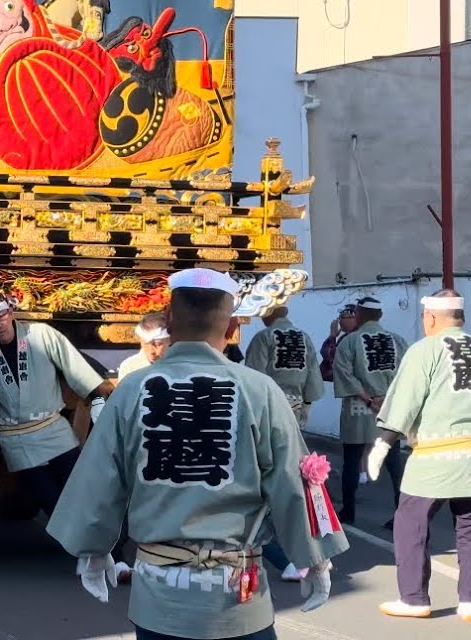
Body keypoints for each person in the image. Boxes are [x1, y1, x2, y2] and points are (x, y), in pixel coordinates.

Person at [47, 268, 347, 640]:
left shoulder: (132, 390)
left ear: (169, 320)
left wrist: (92, 550)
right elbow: (292, 481)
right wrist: (315, 558)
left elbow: (99, 477)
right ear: (233, 327)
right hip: (237, 593)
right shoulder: (259, 390)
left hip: (160, 594)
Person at [368, 290, 471, 622]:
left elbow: (405, 401)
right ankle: (470, 601)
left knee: (410, 523)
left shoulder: (426, 350)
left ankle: (414, 598)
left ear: (431, 318)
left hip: (437, 455)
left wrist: (382, 444)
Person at [0, 291, 116, 518]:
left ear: (10, 311)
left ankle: (111, 546)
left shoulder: (41, 334)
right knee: (53, 505)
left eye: (1, 315)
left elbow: (75, 369)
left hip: (54, 429)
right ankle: (81, 551)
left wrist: (96, 397)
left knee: (84, 491)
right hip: (19, 439)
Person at [244, 305, 327, 582]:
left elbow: (252, 381)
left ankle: (289, 555)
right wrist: (304, 406)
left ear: (268, 313)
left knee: (269, 480)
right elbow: (314, 380)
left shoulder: (264, 339)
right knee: (295, 478)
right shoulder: (303, 337)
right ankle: (313, 549)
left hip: (269, 412)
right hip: (297, 411)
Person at [332, 296, 409, 524]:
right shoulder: (398, 341)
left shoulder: (350, 341)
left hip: (359, 406)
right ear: (381, 315)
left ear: (359, 314)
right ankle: (401, 513)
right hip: (389, 407)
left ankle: (349, 511)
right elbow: (407, 373)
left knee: (352, 460)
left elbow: (343, 372)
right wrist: (386, 397)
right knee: (394, 462)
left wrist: (367, 399)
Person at [245, 306, 324, 430]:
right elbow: (312, 371)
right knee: (290, 443)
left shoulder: (264, 336)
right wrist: (307, 404)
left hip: (269, 404)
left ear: (268, 313)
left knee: (268, 445)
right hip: (295, 403)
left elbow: (254, 375)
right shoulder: (304, 337)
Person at [117, 313, 170, 379]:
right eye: (146, 344)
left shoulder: (181, 366)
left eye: (157, 344)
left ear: (169, 341)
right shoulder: (129, 367)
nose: (151, 351)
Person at [318, 306, 357, 383]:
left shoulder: (352, 339)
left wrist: (332, 336)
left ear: (353, 318)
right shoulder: (346, 338)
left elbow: (331, 358)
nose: (339, 321)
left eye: (342, 317)